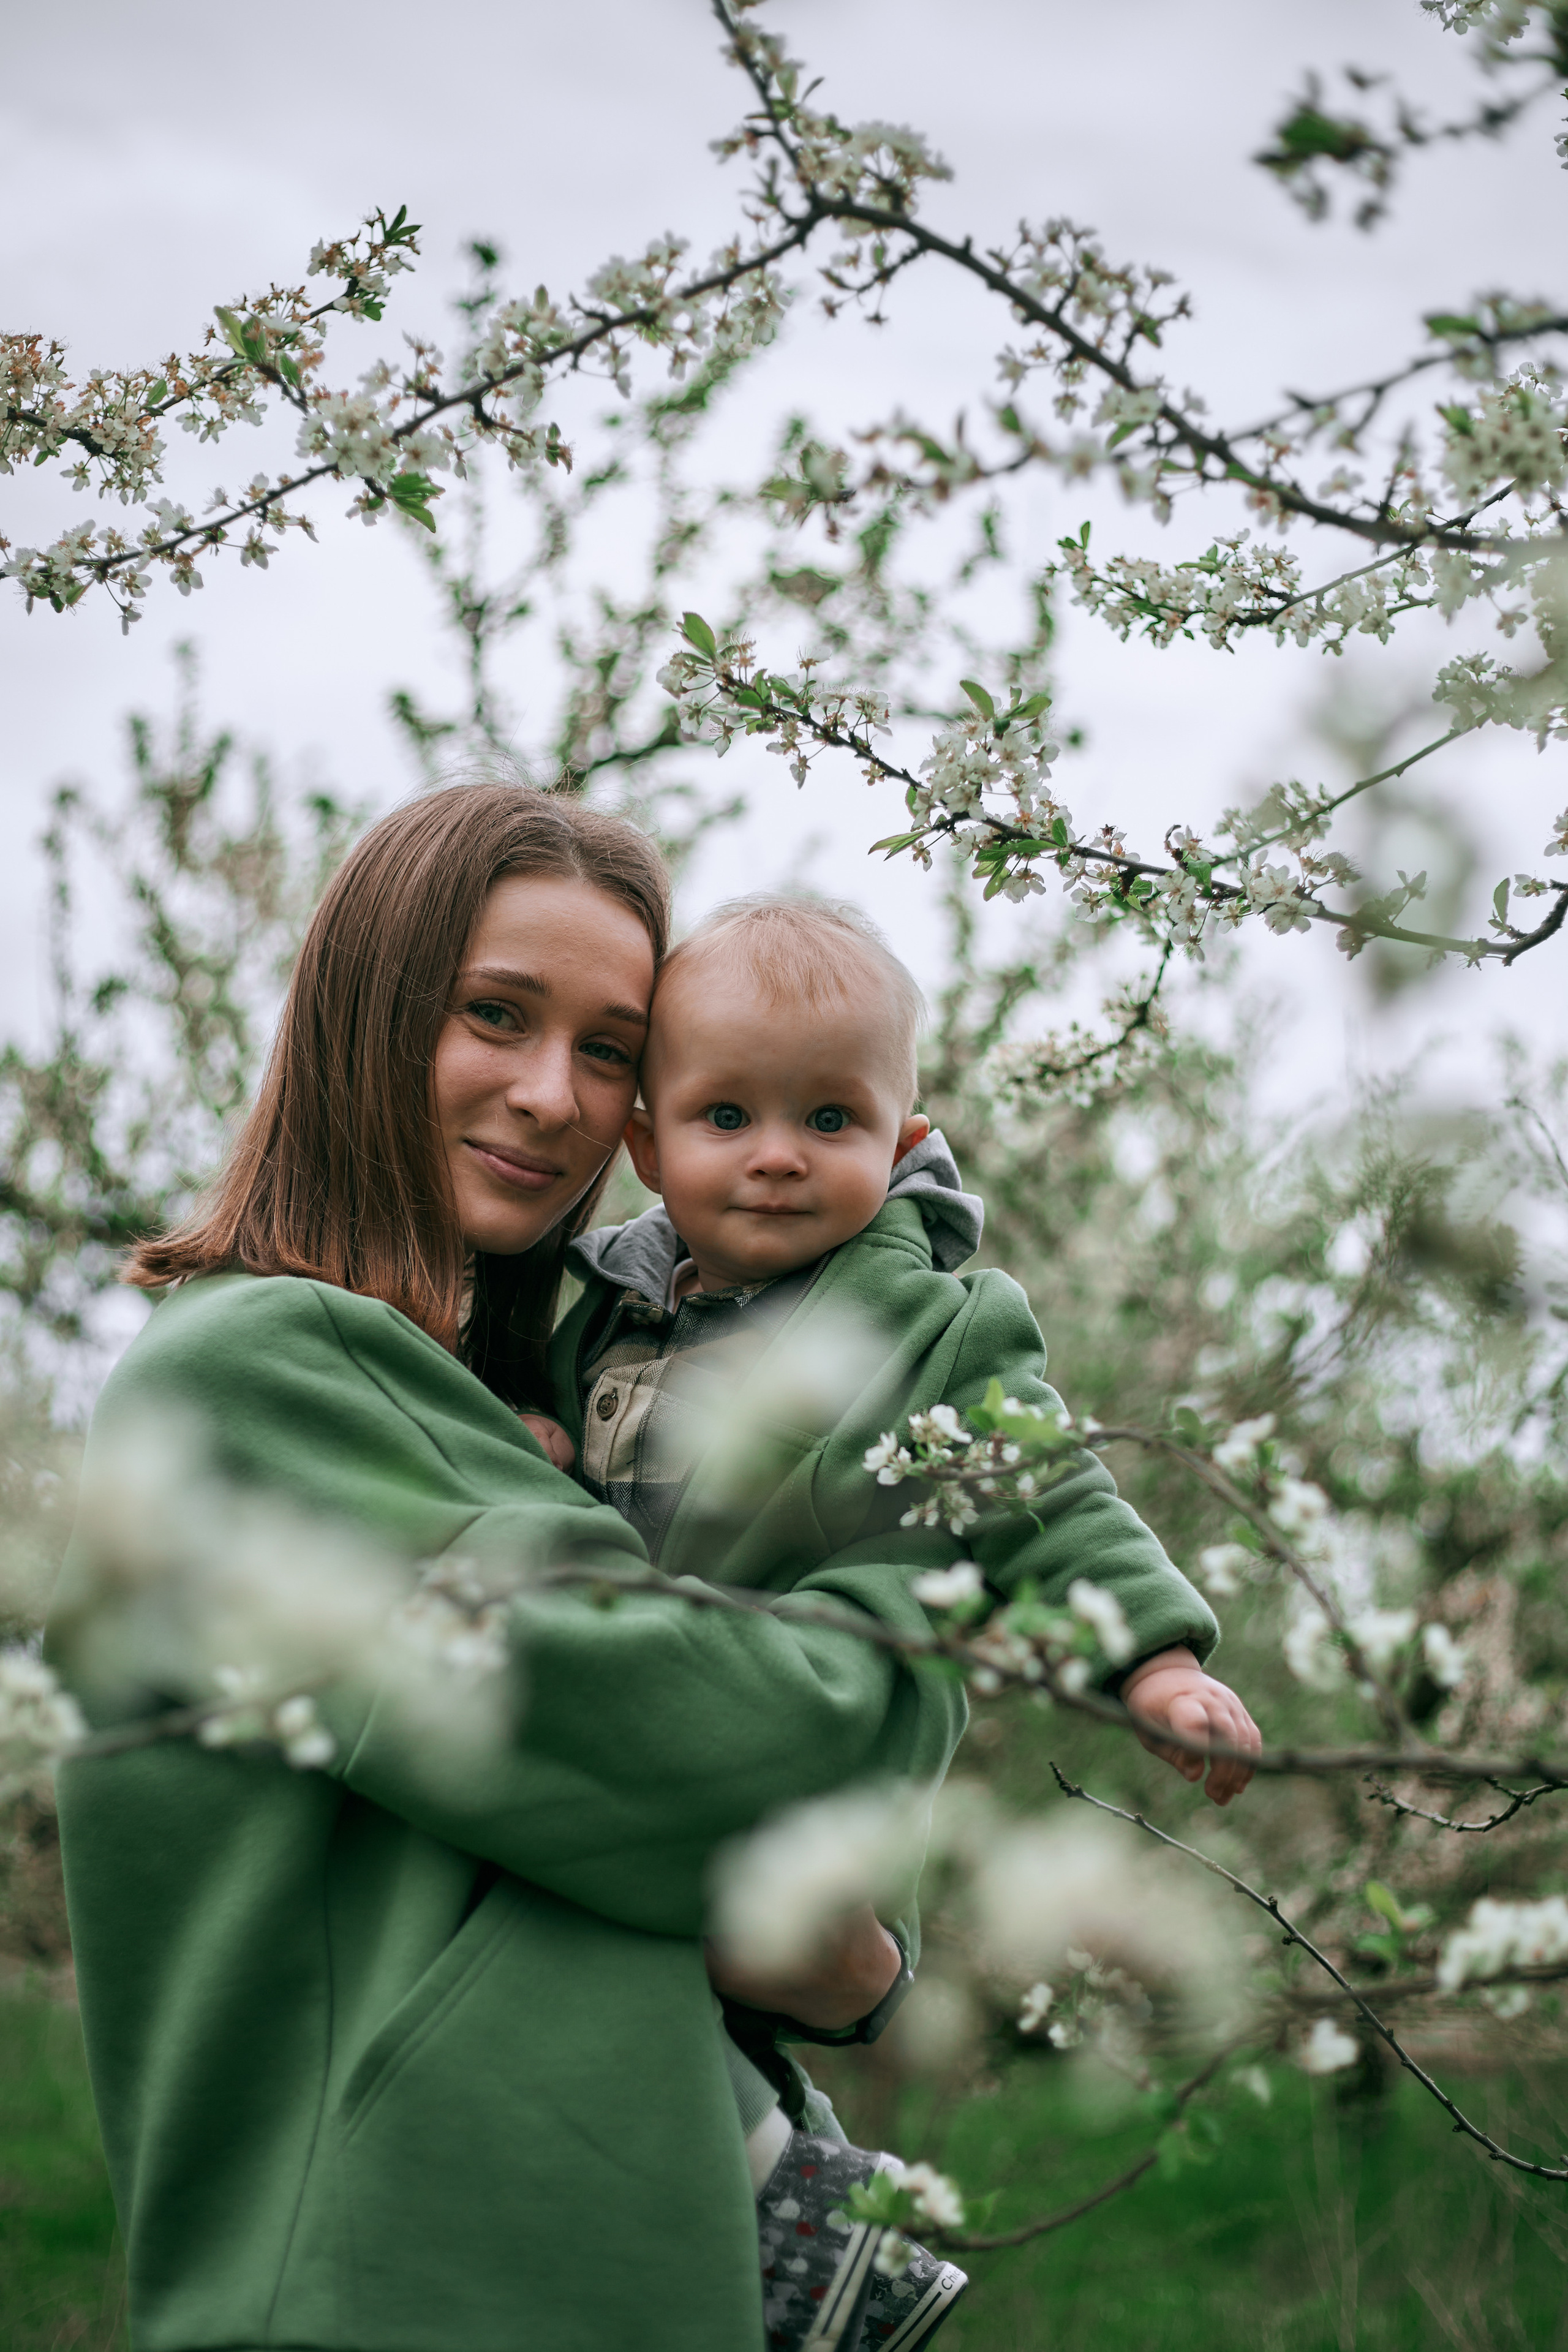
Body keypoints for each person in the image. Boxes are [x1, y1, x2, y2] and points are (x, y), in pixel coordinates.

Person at [48, 785, 970, 2352]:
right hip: (396, 2286)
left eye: (608, 1048)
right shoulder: (262, 1374)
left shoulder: (484, 1405)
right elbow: (760, 1749)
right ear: (362, 1019)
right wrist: (910, 1335)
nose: (551, 1095)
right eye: (493, 1015)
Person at [540, 894, 1263, 2346]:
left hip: (806, 1763)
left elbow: (1042, 1491)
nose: (775, 1156)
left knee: (712, 1962)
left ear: (902, 1132)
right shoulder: (597, 1315)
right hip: (640, 1723)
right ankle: (807, 2223)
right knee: (614, 1989)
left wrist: (1156, 1657)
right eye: (726, 1114)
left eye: (828, 1117)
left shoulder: (928, 1322)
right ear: (646, 1141)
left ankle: (799, 2225)